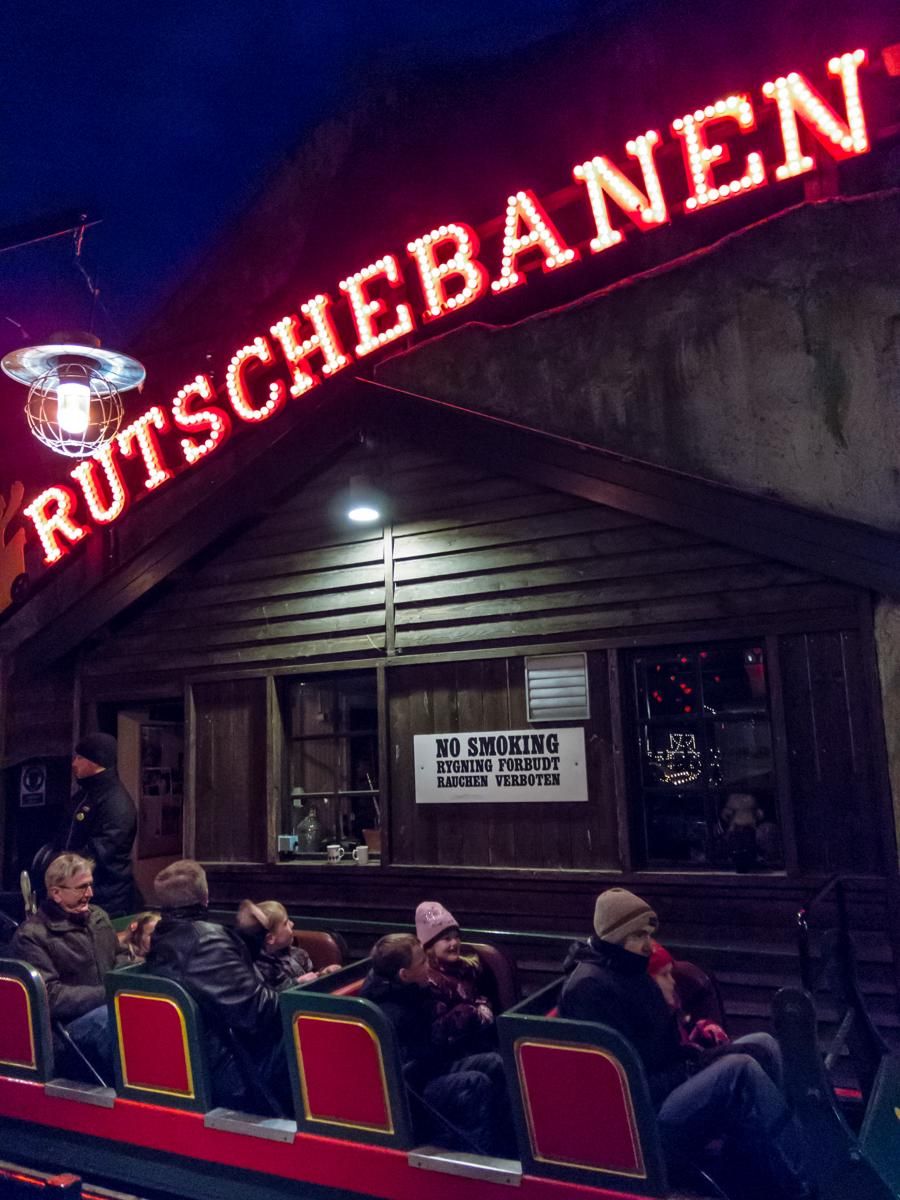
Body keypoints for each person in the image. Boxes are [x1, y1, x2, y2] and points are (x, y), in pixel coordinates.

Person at [559, 887, 811, 1200]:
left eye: (648, 934)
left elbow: (663, 1050)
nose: (649, 945)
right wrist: (694, 1067)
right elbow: (620, 1088)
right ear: (613, 937)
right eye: (638, 936)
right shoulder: (589, 990)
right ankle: (804, 1185)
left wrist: (699, 1058)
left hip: (665, 1090)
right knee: (740, 1070)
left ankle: (786, 1160)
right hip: (640, 1121)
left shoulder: (629, 970)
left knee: (764, 1042)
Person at [145, 860, 288, 1112]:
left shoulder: (163, 933)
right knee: (317, 1032)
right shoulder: (206, 941)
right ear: (206, 897)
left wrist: (250, 937)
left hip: (198, 1054)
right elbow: (258, 1012)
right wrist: (300, 994)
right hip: (232, 1065)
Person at [360, 933, 512, 1157]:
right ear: (404, 974)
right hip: (412, 1089)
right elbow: (406, 1071)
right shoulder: (391, 1012)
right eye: (422, 962)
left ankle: (508, 1145)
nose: (428, 966)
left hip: (429, 1067)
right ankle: (477, 1157)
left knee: (495, 1062)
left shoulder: (413, 988)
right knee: (474, 1083)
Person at [11, 853, 123, 1079]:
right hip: (64, 1029)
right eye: (82, 888)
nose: (90, 894)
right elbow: (49, 997)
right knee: (111, 1021)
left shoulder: (98, 918)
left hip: (108, 1005)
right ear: (56, 893)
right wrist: (108, 994)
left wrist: (127, 979)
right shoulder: (32, 935)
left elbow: (118, 957)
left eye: (90, 885)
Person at [59, 733, 138, 917]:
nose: (74, 763)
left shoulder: (116, 803)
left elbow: (101, 853)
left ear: (95, 762)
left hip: (106, 899)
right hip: (81, 891)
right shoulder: (85, 795)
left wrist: (59, 863)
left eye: (80, 758)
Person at [415, 901, 497, 1056]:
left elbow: (481, 995)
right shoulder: (428, 980)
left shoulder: (468, 967)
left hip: (480, 1040)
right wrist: (469, 1012)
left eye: (456, 937)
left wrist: (483, 1007)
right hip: (452, 1053)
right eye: (446, 939)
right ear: (430, 946)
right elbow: (437, 1033)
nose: (454, 943)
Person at [234, 899, 340, 989]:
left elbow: (311, 976)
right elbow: (267, 997)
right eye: (285, 923)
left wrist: (323, 974)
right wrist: (297, 983)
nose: (292, 924)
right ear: (270, 938)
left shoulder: (297, 953)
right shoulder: (257, 968)